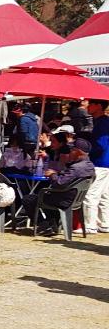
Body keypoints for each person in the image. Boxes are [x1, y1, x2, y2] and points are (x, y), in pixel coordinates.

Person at [22, 138, 96, 235]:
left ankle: (44, 225)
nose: (70, 152)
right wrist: (58, 173)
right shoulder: (90, 166)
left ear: (78, 152)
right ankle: (53, 226)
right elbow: (69, 177)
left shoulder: (76, 167)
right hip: (76, 199)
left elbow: (59, 183)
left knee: (28, 199)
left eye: (72, 150)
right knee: (48, 196)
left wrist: (52, 175)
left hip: (64, 199)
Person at [84, 99, 109, 234]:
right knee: (104, 194)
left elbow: (101, 144)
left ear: (99, 106)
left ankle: (90, 225)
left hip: (100, 162)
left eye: (91, 104)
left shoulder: (102, 123)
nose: (88, 106)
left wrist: (87, 151)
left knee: (91, 194)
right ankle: (104, 223)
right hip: (106, 162)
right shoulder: (103, 121)